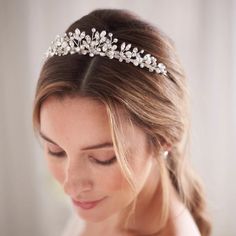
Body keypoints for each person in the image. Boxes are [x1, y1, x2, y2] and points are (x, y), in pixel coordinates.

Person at [32, 8, 211, 236]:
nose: (70, 186)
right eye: (56, 151)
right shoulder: (108, 204)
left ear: (164, 138)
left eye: (102, 158)